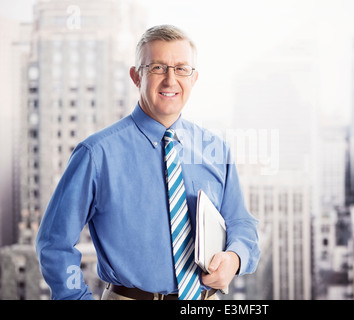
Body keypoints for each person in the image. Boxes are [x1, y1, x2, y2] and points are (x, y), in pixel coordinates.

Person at [35, 24, 260, 300]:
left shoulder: (215, 149)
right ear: (135, 76)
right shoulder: (96, 154)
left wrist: (235, 258)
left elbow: (241, 222)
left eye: (181, 69)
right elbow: (54, 243)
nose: (170, 79)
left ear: (194, 78)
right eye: (157, 68)